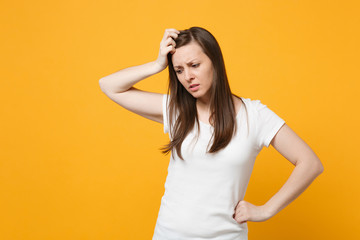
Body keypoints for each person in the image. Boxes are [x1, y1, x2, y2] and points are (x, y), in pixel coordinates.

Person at [99, 27, 324, 240]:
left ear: (214, 62)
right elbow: (109, 85)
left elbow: (310, 163)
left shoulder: (254, 115)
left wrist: (266, 210)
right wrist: (158, 64)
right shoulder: (176, 110)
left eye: (194, 65)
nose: (187, 76)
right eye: (179, 70)